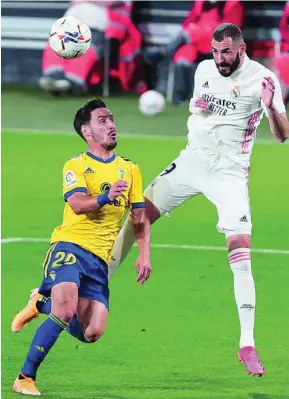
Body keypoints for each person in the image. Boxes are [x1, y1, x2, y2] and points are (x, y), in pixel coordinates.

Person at [108, 24, 289, 376]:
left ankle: (247, 344)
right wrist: (202, 106)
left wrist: (270, 109)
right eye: (215, 51)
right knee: (138, 215)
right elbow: (199, 109)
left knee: (240, 252)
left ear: (241, 49)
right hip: (192, 162)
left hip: (230, 174)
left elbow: (283, 136)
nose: (220, 59)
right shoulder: (204, 69)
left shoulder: (263, 80)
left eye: (226, 52)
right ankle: (99, 284)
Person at [11, 98, 152, 396]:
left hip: (99, 261)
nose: (112, 124)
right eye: (103, 120)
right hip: (69, 247)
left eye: (111, 118)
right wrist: (105, 197)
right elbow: (76, 204)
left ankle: (40, 302)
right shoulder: (77, 165)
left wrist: (144, 252)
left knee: (92, 332)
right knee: (65, 310)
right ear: (87, 131)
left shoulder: (130, 169)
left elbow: (140, 218)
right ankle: (24, 377)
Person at [40, 1, 147, 96]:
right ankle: (54, 78)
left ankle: (72, 84)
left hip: (98, 28)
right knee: (54, 44)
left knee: (85, 46)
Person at [145, 0, 244, 103]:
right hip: (196, 43)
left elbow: (230, 33)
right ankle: (180, 98)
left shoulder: (233, 4)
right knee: (182, 59)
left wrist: (198, 32)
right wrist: (194, 31)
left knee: (186, 35)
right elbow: (188, 23)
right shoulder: (201, 3)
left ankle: (163, 52)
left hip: (220, 48)